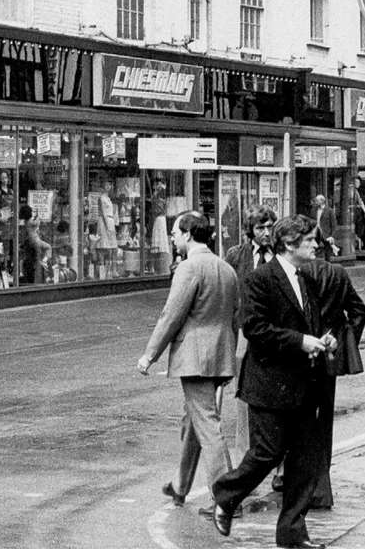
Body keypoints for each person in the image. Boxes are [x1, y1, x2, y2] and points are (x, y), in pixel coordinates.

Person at [210, 215, 333, 549]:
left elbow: (308, 321)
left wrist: (322, 338)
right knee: (267, 452)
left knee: (305, 460)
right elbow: (255, 329)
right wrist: (300, 341)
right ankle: (226, 495)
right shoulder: (260, 279)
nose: (315, 245)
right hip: (269, 382)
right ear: (289, 244)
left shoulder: (306, 277)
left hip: (304, 382)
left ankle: (292, 533)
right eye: (309, 240)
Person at [137, 211, 239, 510]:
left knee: (207, 424)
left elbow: (171, 315)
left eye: (174, 232)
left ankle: (227, 497)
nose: (171, 237)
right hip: (220, 353)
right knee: (194, 420)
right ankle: (180, 484)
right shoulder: (225, 268)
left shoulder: (189, 268)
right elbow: (234, 315)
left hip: (195, 357)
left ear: (188, 234)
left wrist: (149, 356)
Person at [300, 245, 365, 510]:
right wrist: (344, 340)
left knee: (299, 421)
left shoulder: (296, 273)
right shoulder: (338, 274)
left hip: (301, 355)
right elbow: (359, 311)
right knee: (323, 421)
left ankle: (297, 484)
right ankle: (321, 489)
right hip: (329, 358)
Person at [223, 206, 278, 463]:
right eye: (260, 228)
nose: (266, 233)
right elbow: (228, 292)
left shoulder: (281, 253)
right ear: (250, 231)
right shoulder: (236, 255)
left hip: (276, 332)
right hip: (246, 331)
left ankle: (278, 457)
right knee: (244, 393)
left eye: (270, 227)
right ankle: (245, 451)